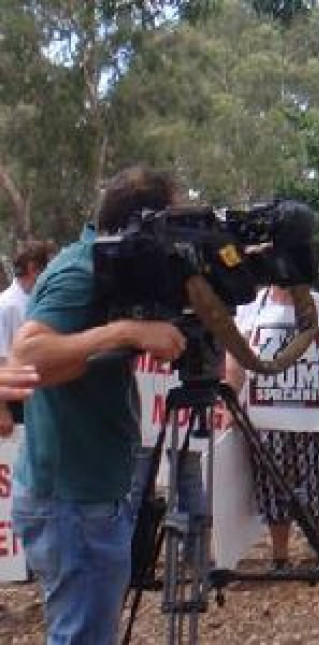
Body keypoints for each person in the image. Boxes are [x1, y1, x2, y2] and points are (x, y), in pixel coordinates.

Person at [9, 166, 187, 644]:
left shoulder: (114, 269)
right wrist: (126, 332)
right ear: (144, 224)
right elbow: (28, 356)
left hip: (89, 493)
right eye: (175, 221)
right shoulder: (81, 269)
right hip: (71, 499)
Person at [226, 286, 319, 571]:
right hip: (267, 416)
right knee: (273, 484)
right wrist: (231, 398)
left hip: (313, 416)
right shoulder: (251, 305)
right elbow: (235, 359)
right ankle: (280, 557)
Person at [0, 240, 56, 435]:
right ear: (33, 269)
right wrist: (2, 410)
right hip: (16, 401)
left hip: (41, 397)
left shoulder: (40, 300)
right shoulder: (7, 306)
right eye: (48, 268)